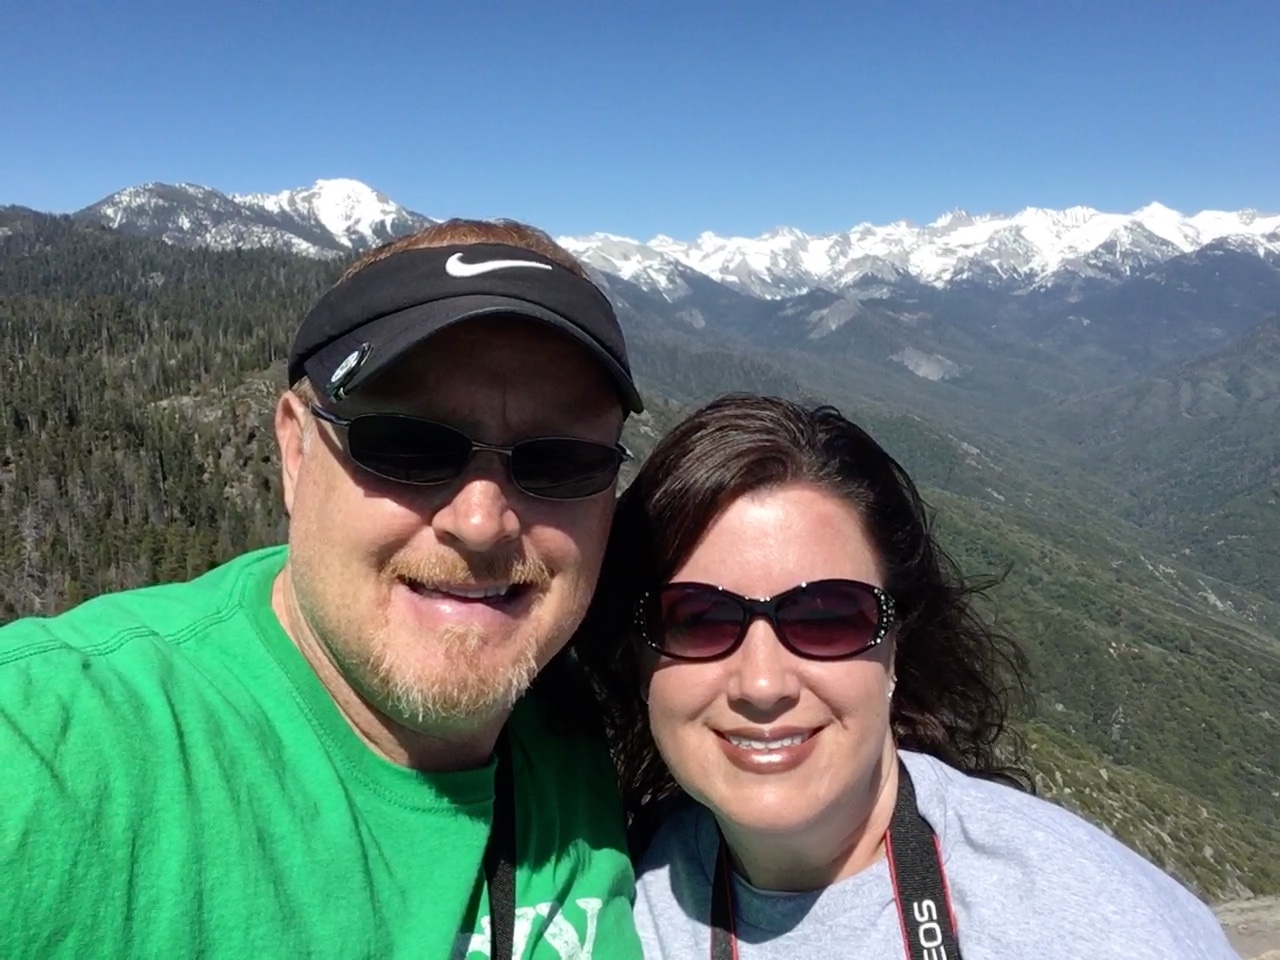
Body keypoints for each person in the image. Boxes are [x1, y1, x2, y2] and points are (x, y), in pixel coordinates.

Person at [0, 219, 647, 959]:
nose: (481, 521)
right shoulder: (59, 747)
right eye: (407, 444)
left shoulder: (619, 721)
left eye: (560, 460)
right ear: (295, 452)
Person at [576, 394, 1240, 959]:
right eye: (696, 618)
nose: (762, 682)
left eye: (826, 617)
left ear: (897, 643)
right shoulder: (597, 904)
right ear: (637, 657)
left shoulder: (1094, 924)